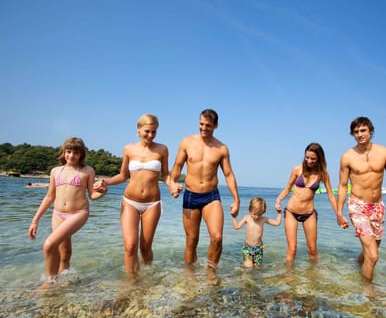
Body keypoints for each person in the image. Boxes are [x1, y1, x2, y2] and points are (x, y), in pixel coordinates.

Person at [336, 116, 386, 281]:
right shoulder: (347, 157)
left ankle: (356, 266)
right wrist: (339, 212)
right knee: (373, 256)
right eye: (356, 132)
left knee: (369, 252)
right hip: (357, 206)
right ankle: (368, 298)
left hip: (378, 207)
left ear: (370, 131)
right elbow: (342, 185)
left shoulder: (384, 152)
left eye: (363, 130)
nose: (360, 134)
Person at [94, 114, 170, 275]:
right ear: (138, 130)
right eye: (147, 131)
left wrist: (173, 185)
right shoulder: (128, 149)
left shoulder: (162, 149)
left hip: (152, 203)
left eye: (154, 132)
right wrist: (105, 182)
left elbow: (166, 176)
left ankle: (148, 276)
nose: (150, 135)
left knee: (145, 247)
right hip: (130, 201)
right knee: (130, 246)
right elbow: (123, 176)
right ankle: (130, 283)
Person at [169, 109, 240, 280]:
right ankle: (189, 275)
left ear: (215, 126)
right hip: (191, 195)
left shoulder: (221, 148)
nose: (203, 128)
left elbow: (229, 174)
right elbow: (177, 168)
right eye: (201, 124)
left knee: (217, 237)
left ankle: (211, 272)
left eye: (208, 125)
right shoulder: (186, 142)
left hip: (211, 196)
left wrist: (236, 199)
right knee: (191, 241)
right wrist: (172, 183)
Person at [27, 137, 107, 286]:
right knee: (64, 252)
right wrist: (35, 220)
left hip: (78, 213)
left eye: (75, 153)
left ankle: (48, 284)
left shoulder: (87, 170)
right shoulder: (55, 171)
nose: (71, 156)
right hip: (58, 214)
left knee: (49, 244)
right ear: (63, 152)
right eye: (68, 152)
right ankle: (63, 281)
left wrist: (102, 192)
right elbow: (50, 196)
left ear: (81, 154)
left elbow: (92, 195)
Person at [275, 142, 337, 266]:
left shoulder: (323, 174)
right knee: (292, 250)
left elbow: (330, 195)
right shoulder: (297, 169)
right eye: (307, 157)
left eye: (313, 158)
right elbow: (288, 188)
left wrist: (339, 214)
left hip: (309, 214)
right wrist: (278, 200)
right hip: (291, 212)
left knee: (312, 249)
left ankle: (313, 277)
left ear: (319, 158)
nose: (309, 160)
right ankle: (289, 278)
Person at [231, 197, 282, 268]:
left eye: (260, 214)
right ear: (250, 210)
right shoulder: (247, 218)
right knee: (249, 266)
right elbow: (236, 227)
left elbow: (277, 223)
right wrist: (234, 217)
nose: (257, 217)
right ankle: (245, 274)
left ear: (263, 213)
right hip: (247, 247)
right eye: (254, 214)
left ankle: (255, 278)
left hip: (258, 248)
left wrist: (279, 213)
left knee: (257, 267)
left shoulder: (263, 219)